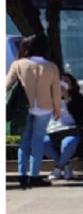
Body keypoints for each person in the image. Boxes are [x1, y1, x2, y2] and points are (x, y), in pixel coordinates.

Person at [5, 35, 62, 189]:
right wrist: (57, 108)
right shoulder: (51, 66)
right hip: (44, 108)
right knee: (37, 142)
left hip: (23, 107)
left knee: (24, 142)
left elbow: (6, 84)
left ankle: (22, 175)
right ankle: (34, 176)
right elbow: (56, 91)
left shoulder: (18, 64)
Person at [44, 71, 83, 180]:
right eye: (60, 81)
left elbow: (81, 116)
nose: (62, 83)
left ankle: (58, 168)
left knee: (67, 144)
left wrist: (67, 98)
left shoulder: (77, 98)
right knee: (42, 143)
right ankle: (66, 164)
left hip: (71, 130)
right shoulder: (49, 98)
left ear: (72, 85)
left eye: (66, 81)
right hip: (53, 130)